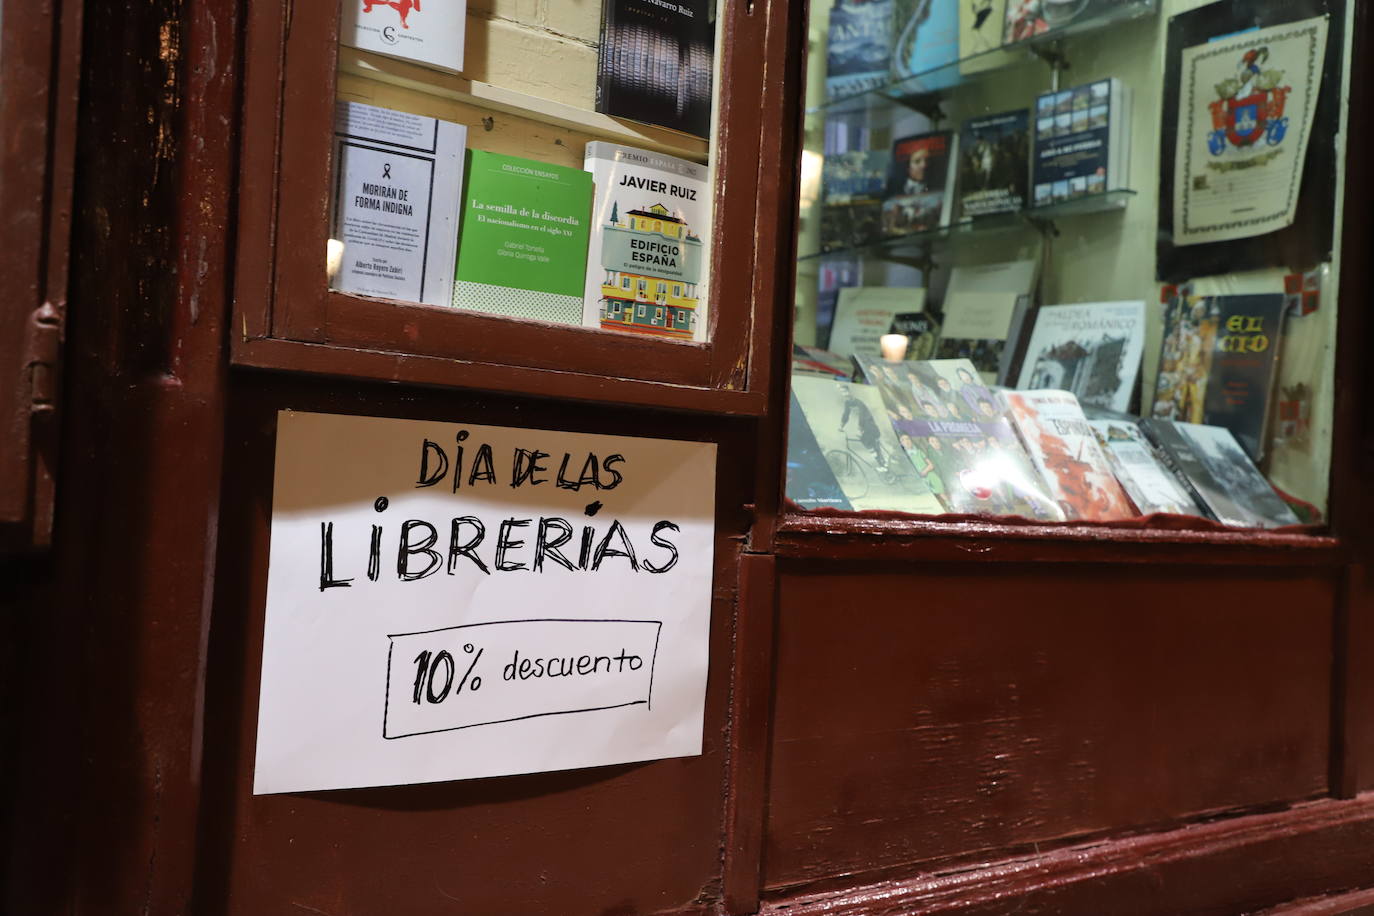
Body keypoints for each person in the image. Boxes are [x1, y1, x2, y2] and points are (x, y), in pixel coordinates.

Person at [838, 386, 888, 471]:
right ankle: (881, 463)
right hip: (863, 426)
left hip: (869, 425)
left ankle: (883, 463)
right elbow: (846, 415)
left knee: (868, 442)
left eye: (845, 391)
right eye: (842, 392)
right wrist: (841, 426)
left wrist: (860, 429)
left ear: (849, 391)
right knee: (869, 446)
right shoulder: (847, 403)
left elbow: (862, 416)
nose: (844, 394)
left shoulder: (859, 402)